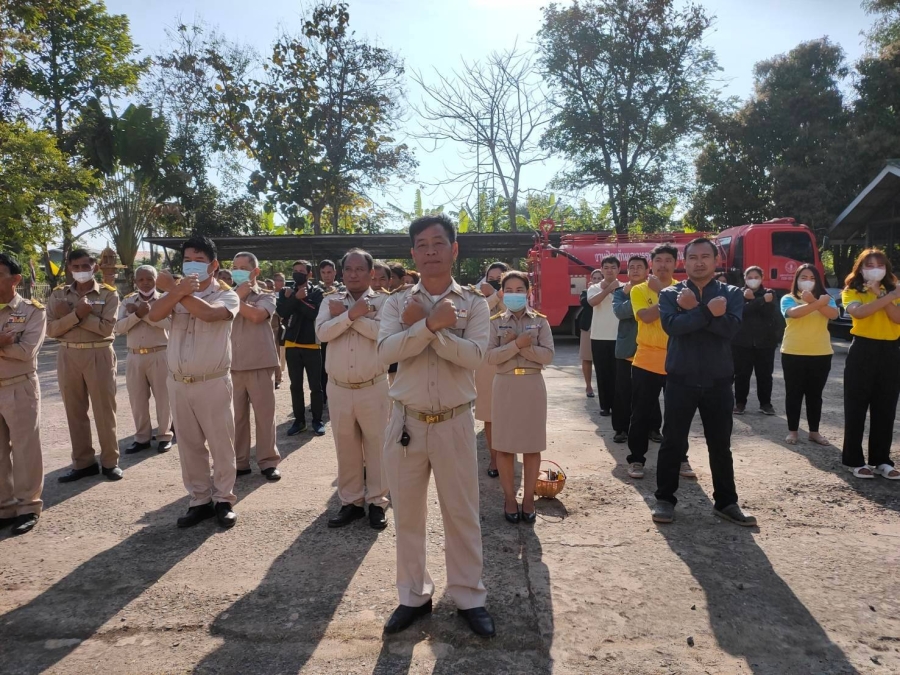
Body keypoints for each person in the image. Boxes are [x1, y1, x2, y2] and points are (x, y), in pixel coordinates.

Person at [377, 214, 494, 638]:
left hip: (454, 422)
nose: (430, 251)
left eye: (438, 243)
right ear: (412, 253)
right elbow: (385, 353)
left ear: (454, 249)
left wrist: (429, 328)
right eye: (422, 245)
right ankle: (413, 596)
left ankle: (468, 595)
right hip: (405, 422)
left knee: (461, 513)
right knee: (407, 514)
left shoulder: (475, 304)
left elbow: (476, 357)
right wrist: (428, 323)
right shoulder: (395, 303)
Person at [651, 238, 756, 527]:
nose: (699, 262)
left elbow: (729, 330)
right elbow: (673, 327)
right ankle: (664, 500)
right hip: (680, 380)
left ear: (715, 260)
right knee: (672, 442)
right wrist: (707, 311)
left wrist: (694, 311)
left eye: (705, 256)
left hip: (719, 381)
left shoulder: (732, 293)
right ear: (685, 261)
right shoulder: (671, 293)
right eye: (693, 257)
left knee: (720, 445)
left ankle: (726, 502)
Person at [149, 235, 240, 529]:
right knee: (189, 445)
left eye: (199, 260)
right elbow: (154, 314)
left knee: (220, 444)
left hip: (212, 382)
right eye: (188, 259)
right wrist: (174, 293)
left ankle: (224, 499)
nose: (193, 265)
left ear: (213, 265)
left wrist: (176, 291)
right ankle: (199, 500)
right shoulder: (175, 294)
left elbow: (209, 314)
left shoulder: (226, 294)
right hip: (178, 382)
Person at [316, 248, 390, 530]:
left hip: (373, 386)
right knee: (345, 447)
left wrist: (347, 316)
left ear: (372, 273)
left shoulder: (385, 302)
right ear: (342, 272)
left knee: (377, 446)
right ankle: (351, 502)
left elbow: (384, 333)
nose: (353, 274)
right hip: (338, 387)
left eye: (360, 269)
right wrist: (353, 316)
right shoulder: (330, 300)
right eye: (348, 269)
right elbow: (322, 333)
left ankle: (377, 502)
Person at [47, 249, 123, 482]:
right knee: (74, 411)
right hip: (68, 355)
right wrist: (76, 315)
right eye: (76, 267)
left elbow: (105, 329)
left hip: (98, 353)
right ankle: (83, 463)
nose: (80, 271)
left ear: (95, 267)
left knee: (104, 411)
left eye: (85, 266)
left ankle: (110, 461)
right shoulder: (59, 295)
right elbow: (51, 330)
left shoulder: (109, 295)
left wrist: (73, 316)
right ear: (69, 268)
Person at [487, 271, 554, 524]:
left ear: (527, 292)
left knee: (531, 445)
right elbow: (489, 357)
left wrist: (524, 346)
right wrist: (515, 346)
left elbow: (548, 356)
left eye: (519, 289)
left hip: (531, 384)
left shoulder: (540, 321)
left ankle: (528, 498)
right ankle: (508, 498)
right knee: (504, 446)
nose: (514, 294)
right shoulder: (494, 322)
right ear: (502, 292)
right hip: (504, 385)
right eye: (509, 289)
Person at [840, 249, 900, 479]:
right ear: (861, 268)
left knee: (886, 407)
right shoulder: (852, 291)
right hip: (863, 350)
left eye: (879, 264)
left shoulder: (895, 289)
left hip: (890, 351)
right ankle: (854, 460)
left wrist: (885, 295)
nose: (875, 268)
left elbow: (897, 318)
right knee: (856, 406)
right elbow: (860, 313)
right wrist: (884, 296)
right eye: (869, 265)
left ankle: (881, 460)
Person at [0, 253, 47, 536]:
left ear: (15, 280)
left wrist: (9, 346)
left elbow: (25, 352)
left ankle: (28, 507)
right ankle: (4, 507)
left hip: (20, 385)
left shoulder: (32, 311)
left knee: (25, 448)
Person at [626, 245, 678, 479]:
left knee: (678, 413)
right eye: (659, 260)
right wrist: (667, 296)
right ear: (652, 264)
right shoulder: (639, 289)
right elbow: (645, 317)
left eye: (668, 260)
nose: (663, 265)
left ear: (676, 264)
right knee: (641, 413)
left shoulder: (683, 288)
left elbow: (688, 317)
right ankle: (637, 459)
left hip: (677, 359)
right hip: (646, 359)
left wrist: (666, 293)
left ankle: (681, 458)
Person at [230, 252, 282, 481]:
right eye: (235, 266)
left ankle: (268, 461)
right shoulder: (223, 295)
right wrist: (233, 297)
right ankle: (239, 462)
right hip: (232, 366)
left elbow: (257, 316)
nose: (238, 270)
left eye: (243, 267)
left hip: (260, 364)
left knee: (265, 416)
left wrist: (234, 302)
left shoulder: (267, 296)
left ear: (255, 272)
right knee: (236, 418)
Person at [115, 265, 173, 454]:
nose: (145, 282)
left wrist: (143, 314)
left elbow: (168, 323)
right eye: (141, 279)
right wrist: (136, 315)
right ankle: (142, 438)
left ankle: (164, 435)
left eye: (149, 278)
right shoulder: (128, 301)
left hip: (160, 353)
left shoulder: (165, 299)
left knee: (164, 398)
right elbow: (118, 328)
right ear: (135, 281)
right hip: (134, 356)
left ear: (156, 280)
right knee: (137, 400)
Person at [779, 265, 838, 446]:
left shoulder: (827, 299)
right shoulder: (788, 298)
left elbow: (834, 315)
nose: (807, 281)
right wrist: (816, 303)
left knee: (815, 395)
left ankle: (814, 432)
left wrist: (817, 301)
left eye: (812, 278)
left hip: (821, 353)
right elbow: (794, 314)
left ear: (818, 280)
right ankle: (793, 431)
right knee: (794, 394)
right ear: (796, 279)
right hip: (793, 352)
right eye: (803, 277)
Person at [611, 256, 657, 445]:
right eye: (632, 267)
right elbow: (620, 312)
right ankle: (621, 429)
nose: (635, 270)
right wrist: (635, 295)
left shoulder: (656, 289)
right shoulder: (620, 292)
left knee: (650, 392)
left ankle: (654, 428)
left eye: (640, 267)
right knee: (623, 392)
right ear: (627, 271)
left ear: (648, 270)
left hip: (650, 349)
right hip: (627, 349)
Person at [276, 260, 326, 436]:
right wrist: (293, 298)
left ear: (309, 274)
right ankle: (299, 421)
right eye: (295, 270)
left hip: (312, 344)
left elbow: (314, 313)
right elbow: (282, 312)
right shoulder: (285, 291)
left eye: (301, 271)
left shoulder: (318, 292)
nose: (297, 273)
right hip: (292, 344)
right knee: (295, 385)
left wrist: (300, 299)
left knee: (316, 386)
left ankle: (317, 421)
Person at [474, 261, 509, 478]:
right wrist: (494, 295)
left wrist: (501, 295)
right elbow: (478, 315)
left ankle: (509, 452)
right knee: (490, 413)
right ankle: (494, 458)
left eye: (499, 279)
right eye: (491, 278)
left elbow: (513, 316)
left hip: (511, 356)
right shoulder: (476, 296)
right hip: (486, 359)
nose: (494, 282)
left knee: (510, 412)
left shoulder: (514, 293)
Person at [732, 266, 780, 416]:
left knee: (765, 374)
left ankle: (765, 404)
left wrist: (754, 300)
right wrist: (759, 301)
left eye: (756, 277)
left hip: (765, 342)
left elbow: (770, 313)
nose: (753, 280)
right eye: (749, 277)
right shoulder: (737, 293)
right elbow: (741, 311)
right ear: (745, 278)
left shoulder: (770, 293)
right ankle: (740, 403)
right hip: (741, 342)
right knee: (741, 374)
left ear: (761, 278)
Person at [587, 256, 622, 416]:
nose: (609, 270)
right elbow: (592, 302)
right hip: (599, 337)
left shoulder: (625, 287)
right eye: (606, 267)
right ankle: (605, 406)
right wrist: (608, 289)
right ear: (601, 270)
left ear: (618, 269)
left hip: (619, 337)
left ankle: (618, 405)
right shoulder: (594, 287)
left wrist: (617, 288)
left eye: (613, 267)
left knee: (618, 374)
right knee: (602, 372)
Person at [578, 271, 600, 399]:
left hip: (604, 331)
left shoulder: (609, 292)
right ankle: (588, 386)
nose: (597, 280)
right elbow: (586, 303)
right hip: (588, 329)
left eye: (599, 278)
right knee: (587, 358)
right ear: (590, 280)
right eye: (595, 278)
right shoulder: (585, 293)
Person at [272, 273, 287, 389]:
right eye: (277, 280)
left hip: (280, 328)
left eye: (282, 280)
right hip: (270, 327)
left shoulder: (287, 294)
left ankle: (278, 376)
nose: (280, 282)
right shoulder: (268, 294)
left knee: (280, 353)